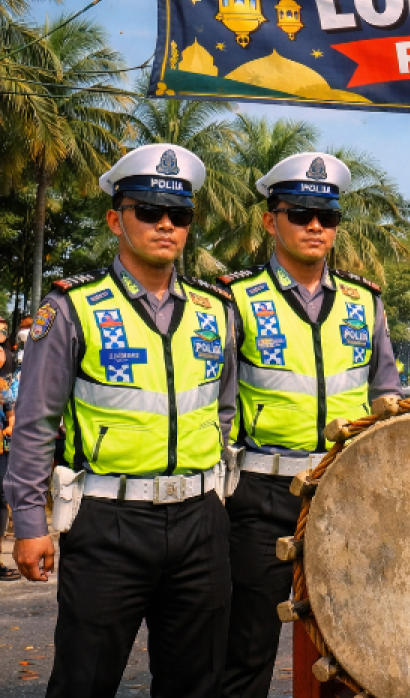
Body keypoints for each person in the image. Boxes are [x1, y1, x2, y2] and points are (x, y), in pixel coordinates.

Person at [2, 144, 238, 697]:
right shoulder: (72, 308)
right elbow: (36, 423)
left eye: (178, 215)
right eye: (148, 211)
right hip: (108, 522)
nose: (164, 225)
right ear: (116, 218)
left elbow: (222, 408)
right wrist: (32, 525)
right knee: (85, 680)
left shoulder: (215, 310)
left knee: (197, 683)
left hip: (201, 522)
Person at [219, 152, 402, 698]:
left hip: (345, 490)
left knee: (353, 647)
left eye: (327, 216)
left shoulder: (364, 300)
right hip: (261, 495)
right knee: (245, 648)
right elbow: (219, 404)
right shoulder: (236, 299)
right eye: (300, 214)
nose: (316, 226)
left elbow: (386, 393)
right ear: (270, 219)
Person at [0, 356, 19, 580]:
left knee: (1, 498)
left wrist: (11, 424)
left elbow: (10, 407)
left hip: (1, 449)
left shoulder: (5, 382)